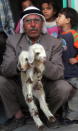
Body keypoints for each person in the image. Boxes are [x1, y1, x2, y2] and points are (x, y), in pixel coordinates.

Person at [0, 6, 74, 123]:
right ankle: (18, 117)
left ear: (42, 24)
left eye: (37, 20)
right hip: (22, 89)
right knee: (1, 81)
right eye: (28, 21)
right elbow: (4, 69)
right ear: (23, 25)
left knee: (64, 87)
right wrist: (21, 61)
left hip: (44, 88)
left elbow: (59, 73)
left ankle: (46, 116)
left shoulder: (54, 42)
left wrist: (41, 61)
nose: (33, 24)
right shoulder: (12, 41)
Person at [56, 7, 78, 122]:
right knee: (65, 94)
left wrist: (76, 59)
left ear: (68, 20)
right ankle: (65, 116)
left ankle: (73, 117)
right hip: (62, 72)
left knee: (74, 95)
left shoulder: (74, 34)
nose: (57, 18)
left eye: (60, 16)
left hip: (73, 72)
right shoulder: (59, 36)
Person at [0, 0, 15, 64]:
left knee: (6, 57)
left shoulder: (4, 1)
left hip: (3, 33)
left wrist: (11, 32)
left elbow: (9, 16)